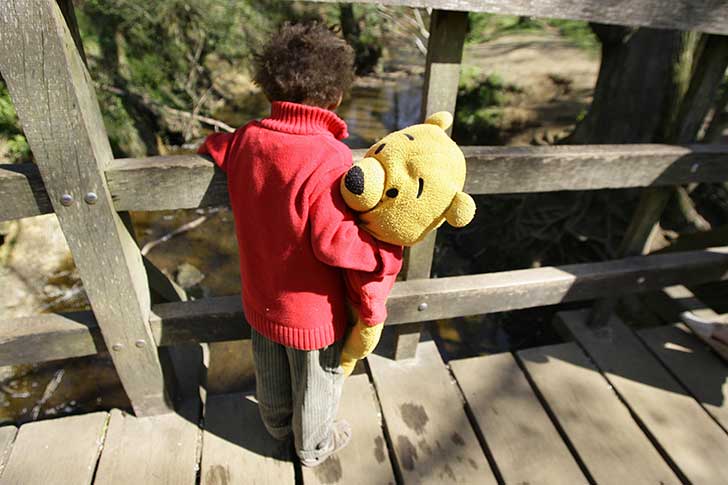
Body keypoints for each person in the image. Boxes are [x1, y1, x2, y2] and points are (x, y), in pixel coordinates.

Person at [197, 21, 402, 467]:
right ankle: (312, 446)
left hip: (259, 295)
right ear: (337, 96)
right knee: (317, 381)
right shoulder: (328, 155)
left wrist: (211, 146)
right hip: (310, 310)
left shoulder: (250, 137)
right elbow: (334, 242)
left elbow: (222, 147)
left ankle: (274, 425)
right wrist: (381, 253)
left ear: (268, 83)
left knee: (269, 367)